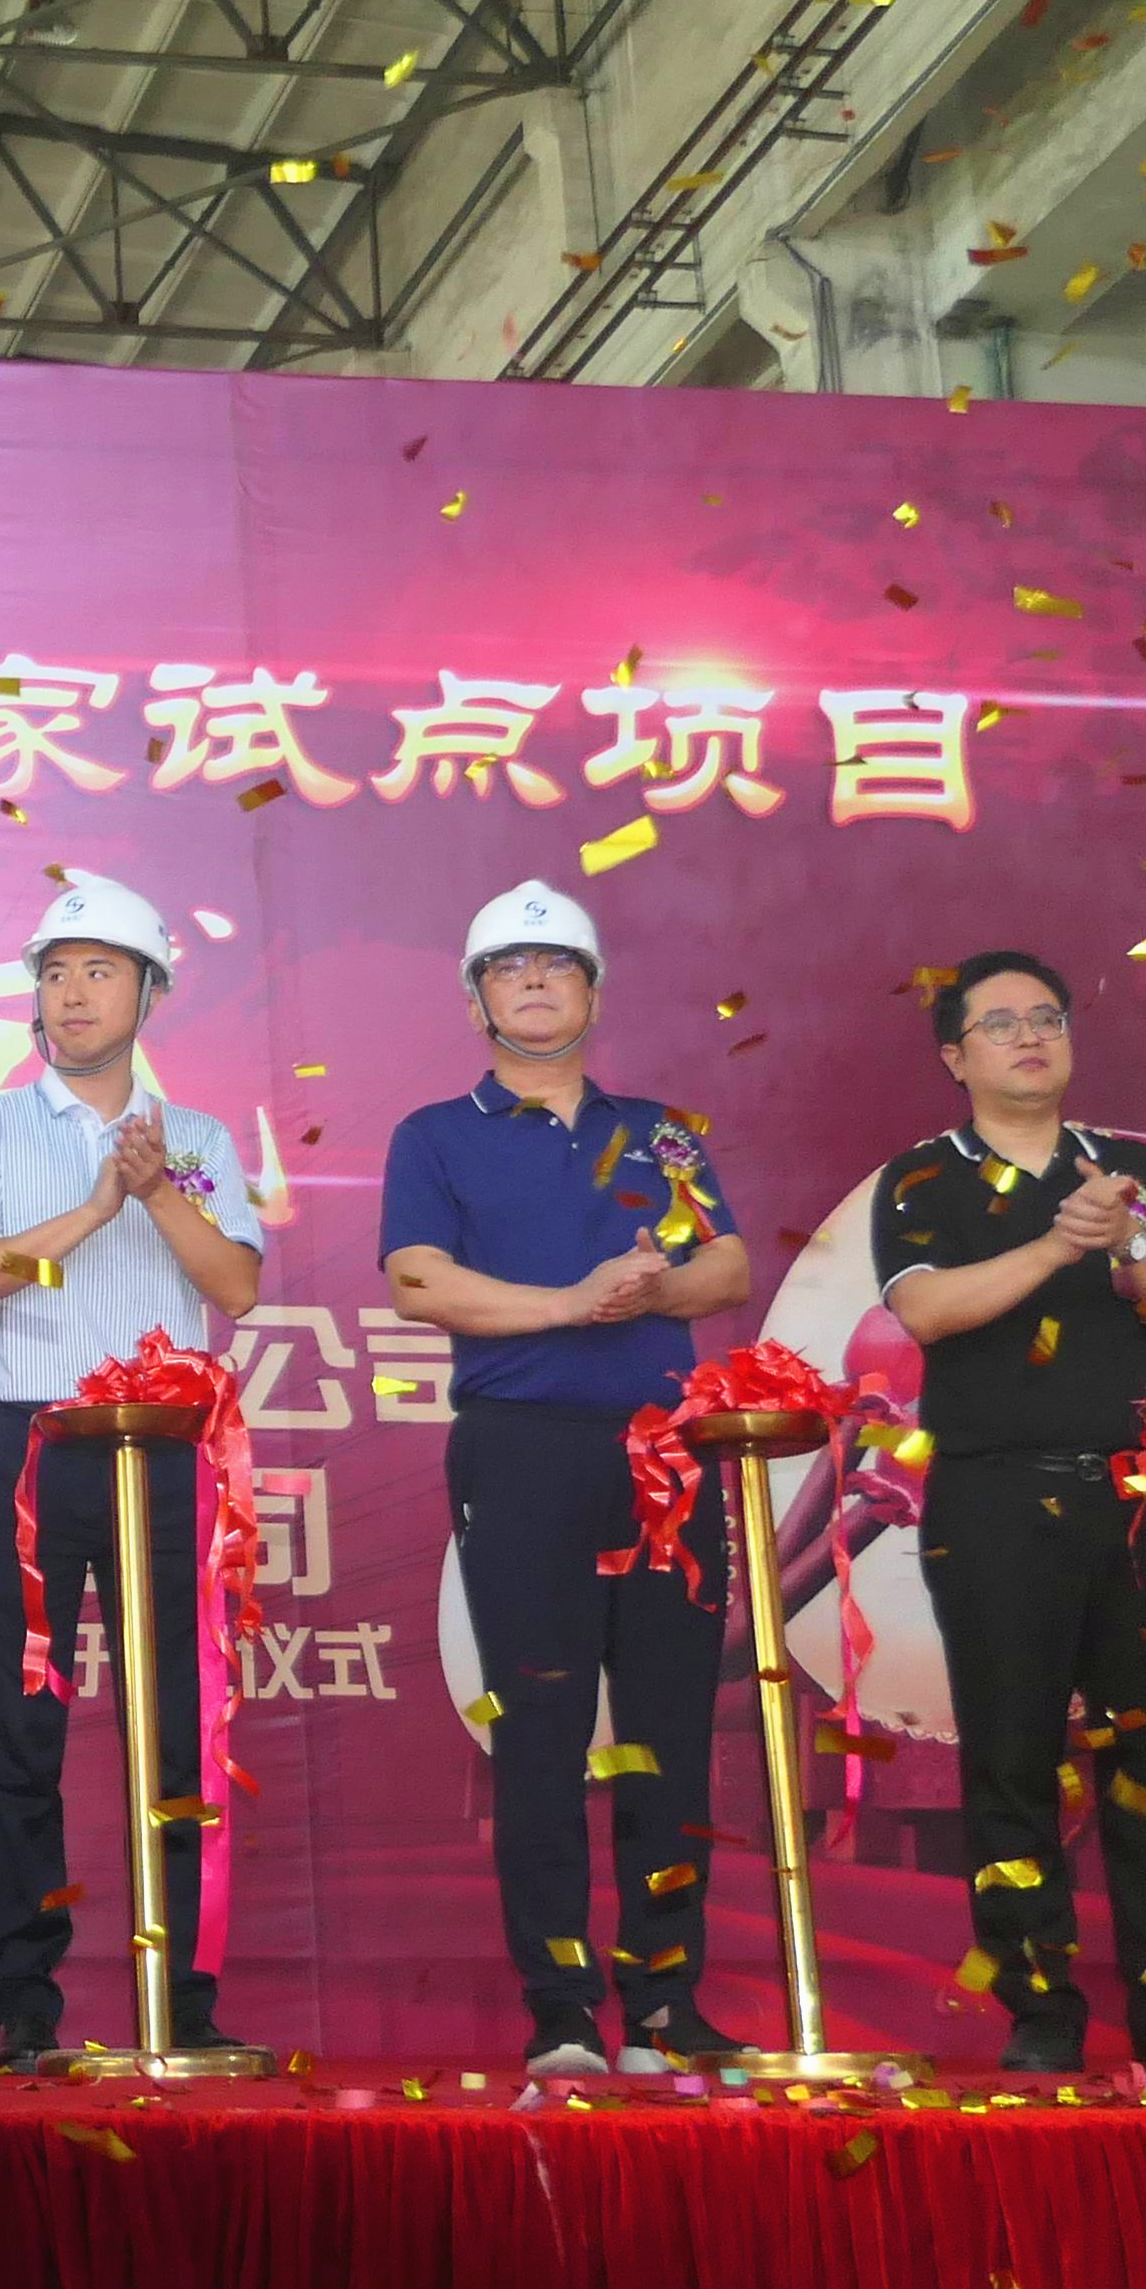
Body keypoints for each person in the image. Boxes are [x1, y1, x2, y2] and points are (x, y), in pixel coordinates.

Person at [371, 880, 753, 2077]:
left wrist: (649, 1291)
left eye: (558, 966)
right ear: (476, 1001)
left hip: (664, 1453)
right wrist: (571, 1303)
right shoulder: (436, 1133)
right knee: (539, 1729)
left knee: (671, 1727)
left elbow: (728, 1266)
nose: (534, 982)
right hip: (522, 1451)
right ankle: (563, 2007)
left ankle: (664, 2001)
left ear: (594, 993)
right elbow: (419, 1282)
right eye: (509, 968)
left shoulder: (661, 1131)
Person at [0, 872, 267, 2069]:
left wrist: (156, 1188)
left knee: (178, 1724)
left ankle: (185, 1994)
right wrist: (93, 1206)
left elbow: (235, 1286)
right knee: (22, 1726)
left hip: (167, 1451)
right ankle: (23, 2004)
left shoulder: (201, 1139)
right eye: (57, 973)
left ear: (150, 993)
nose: (73, 995)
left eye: (101, 972)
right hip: (35, 1444)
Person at [869, 949, 1146, 2073]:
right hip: (994, 1495)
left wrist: (1127, 1239)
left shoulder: (1128, 1168)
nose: (1030, 1038)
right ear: (954, 1056)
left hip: (1137, 1491)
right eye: (1002, 1023)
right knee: (1012, 1759)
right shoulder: (922, 1179)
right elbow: (929, 1312)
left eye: (1048, 1018)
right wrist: (1057, 1242)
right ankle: (1041, 2015)